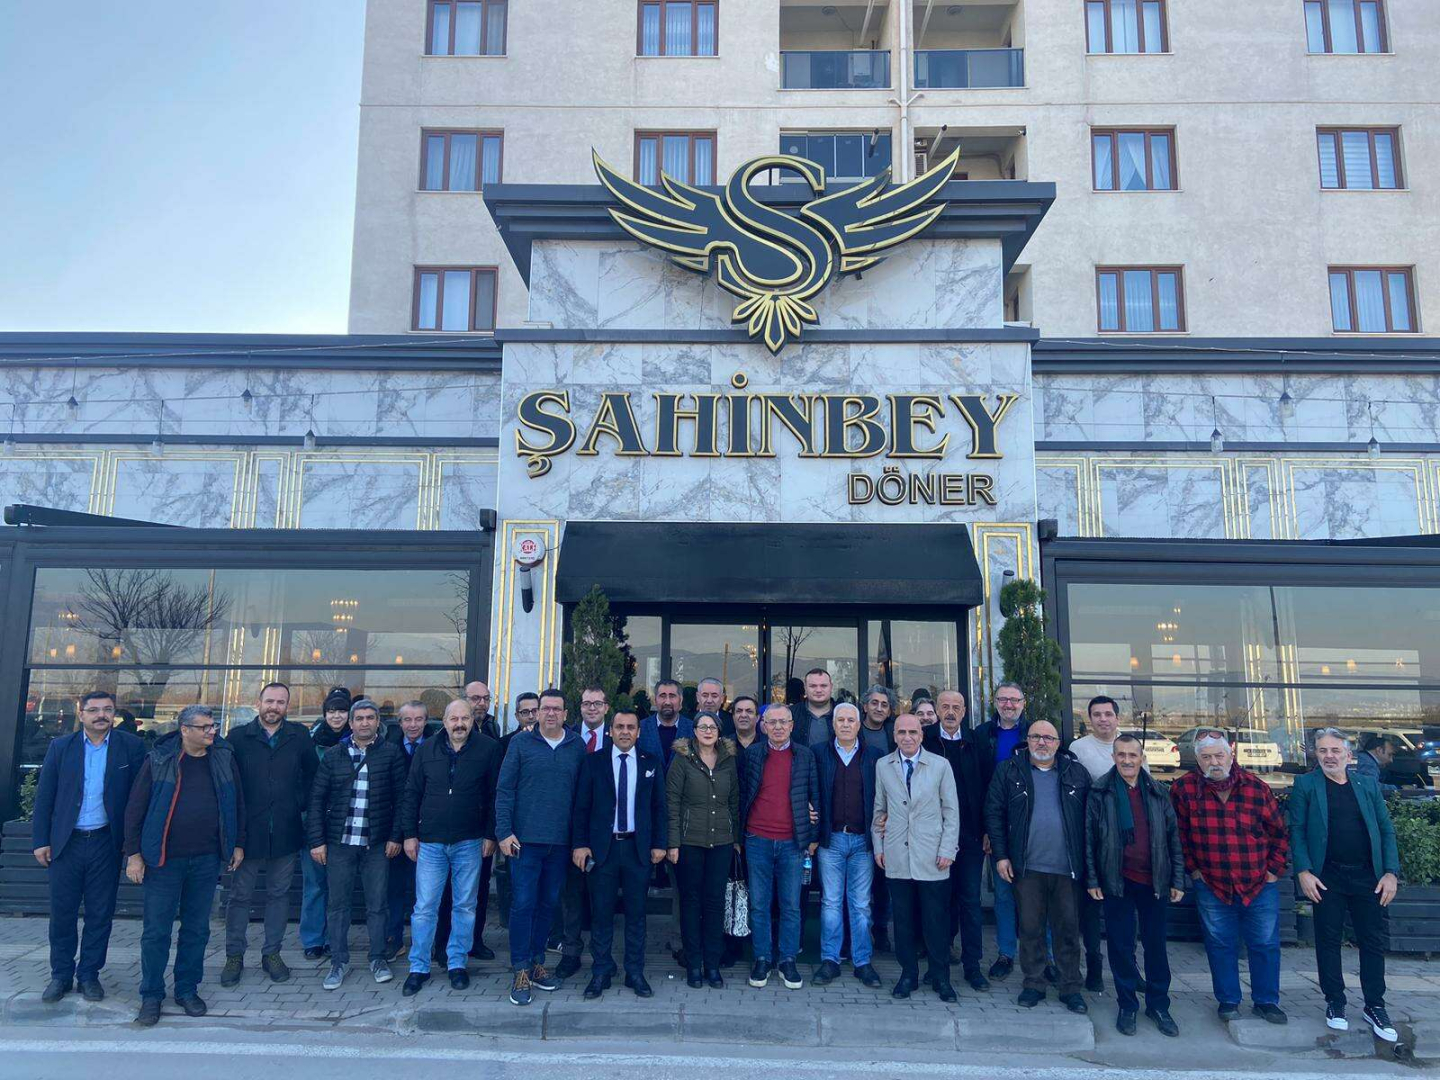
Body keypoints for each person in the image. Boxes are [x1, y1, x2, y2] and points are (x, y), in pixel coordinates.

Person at [123, 704, 245, 1026]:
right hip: (164, 860)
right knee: (156, 931)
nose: (211, 732)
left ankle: (187, 989)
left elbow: (237, 803)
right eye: (204, 727)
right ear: (185, 730)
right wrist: (133, 854)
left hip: (206, 859)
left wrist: (237, 843)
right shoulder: (159, 760)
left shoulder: (223, 758)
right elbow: (135, 808)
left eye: (213, 726)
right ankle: (151, 994)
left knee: (196, 929)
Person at [32, 690, 146, 1003]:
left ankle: (89, 975)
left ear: (114, 714)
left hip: (106, 843)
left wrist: (133, 847)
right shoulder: (61, 747)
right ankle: (61, 975)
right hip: (66, 843)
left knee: (100, 914)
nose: (101, 715)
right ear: (81, 714)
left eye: (107, 709)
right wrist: (41, 840)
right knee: (62, 914)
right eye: (93, 710)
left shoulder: (131, 747)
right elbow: (45, 797)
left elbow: (139, 800)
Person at [1171, 729, 1289, 1025]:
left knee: (1265, 944)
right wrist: (1194, 870)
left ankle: (1266, 1001)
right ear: (1197, 760)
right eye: (1206, 757)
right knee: (1220, 944)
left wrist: (1274, 870)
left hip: (1259, 882)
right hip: (1212, 883)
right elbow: (1179, 836)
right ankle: (1228, 1000)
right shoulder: (1184, 789)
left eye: (1219, 755)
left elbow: (1279, 833)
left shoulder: (1256, 788)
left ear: (1230, 754)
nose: (1214, 762)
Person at [1290, 728, 1401, 1041]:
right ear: (1316, 754)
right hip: (1327, 877)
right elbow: (1297, 830)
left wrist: (1391, 872)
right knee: (1327, 940)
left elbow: (1386, 829)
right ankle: (1335, 1002)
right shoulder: (1306, 785)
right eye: (1323, 750)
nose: (1329, 756)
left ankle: (1375, 1005)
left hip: (1368, 876)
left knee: (1372, 941)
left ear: (1348, 755)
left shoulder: (1367, 785)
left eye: (1335, 750)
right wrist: (1303, 871)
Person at [986, 719, 1091, 1014]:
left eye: (1048, 738)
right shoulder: (1009, 770)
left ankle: (1070, 987)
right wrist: (1001, 856)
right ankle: (1034, 983)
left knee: (1067, 930)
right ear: (1027, 741)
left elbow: (1090, 820)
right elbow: (994, 813)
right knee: (1030, 928)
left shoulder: (1076, 773)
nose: (1042, 742)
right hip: (1027, 867)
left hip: (1067, 868)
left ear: (1058, 743)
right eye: (1035, 737)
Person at [398, 698, 501, 996]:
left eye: (465, 718)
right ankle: (419, 967)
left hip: (470, 841)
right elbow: (411, 793)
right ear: (444, 721)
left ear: (472, 721)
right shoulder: (426, 749)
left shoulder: (488, 749)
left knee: (465, 906)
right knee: (424, 908)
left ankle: (457, 963)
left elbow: (495, 795)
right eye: (454, 719)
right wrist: (409, 834)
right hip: (430, 842)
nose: (459, 724)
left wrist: (490, 834)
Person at [1085, 734, 1185, 1037]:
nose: (1127, 760)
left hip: (1154, 880)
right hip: (1117, 880)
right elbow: (1089, 838)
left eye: (1132, 755)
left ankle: (1158, 1005)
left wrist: (1177, 879)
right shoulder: (1100, 792)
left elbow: (1173, 838)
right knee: (1121, 946)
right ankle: (1127, 1004)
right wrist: (1092, 879)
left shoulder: (1158, 792)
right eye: (1121, 755)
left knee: (1156, 946)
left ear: (1142, 758)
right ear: (1113, 757)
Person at [223, 682, 317, 988]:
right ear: (258, 703)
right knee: (240, 896)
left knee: (279, 895)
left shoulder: (299, 736)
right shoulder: (238, 737)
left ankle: (272, 954)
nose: (274, 707)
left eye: (280, 702)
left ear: (287, 706)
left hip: (287, 830)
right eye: (269, 701)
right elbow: (228, 784)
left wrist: (299, 804)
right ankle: (234, 956)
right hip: (247, 833)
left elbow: (312, 777)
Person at [308, 698, 407, 989]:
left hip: (376, 844)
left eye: (370, 718)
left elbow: (402, 799)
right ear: (351, 723)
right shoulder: (334, 755)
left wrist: (395, 836)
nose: (365, 723)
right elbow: (317, 799)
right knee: (338, 905)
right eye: (359, 718)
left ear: (378, 722)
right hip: (339, 843)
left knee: (377, 905)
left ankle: (378, 958)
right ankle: (338, 962)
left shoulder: (391, 753)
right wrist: (317, 841)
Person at [496, 688, 585, 1006]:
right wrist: (503, 832)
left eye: (556, 709)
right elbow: (505, 789)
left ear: (565, 714)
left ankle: (536, 963)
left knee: (548, 904)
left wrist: (580, 840)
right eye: (545, 708)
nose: (550, 713)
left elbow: (582, 796)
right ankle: (520, 969)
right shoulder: (521, 744)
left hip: (560, 843)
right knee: (523, 904)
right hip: (524, 842)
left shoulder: (577, 746)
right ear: (537, 712)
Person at [574, 709, 667, 999]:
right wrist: (580, 844)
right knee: (601, 913)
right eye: (619, 727)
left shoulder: (651, 762)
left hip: (638, 849)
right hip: (604, 849)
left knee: (636, 914)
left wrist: (659, 843)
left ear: (638, 732)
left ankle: (634, 972)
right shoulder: (593, 762)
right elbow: (581, 807)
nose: (625, 732)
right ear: (610, 731)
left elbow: (659, 807)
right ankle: (601, 971)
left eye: (630, 727)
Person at [873, 713, 959, 1001]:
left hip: (932, 855)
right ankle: (908, 974)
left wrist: (947, 849)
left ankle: (940, 976)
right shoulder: (883, 766)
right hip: (897, 853)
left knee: (935, 921)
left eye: (913, 732)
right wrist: (879, 846)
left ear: (922, 735)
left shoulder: (940, 765)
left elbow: (951, 811)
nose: (907, 737)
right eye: (902, 732)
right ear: (894, 736)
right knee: (903, 921)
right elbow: (879, 809)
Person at [740, 704, 819, 991]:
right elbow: (742, 794)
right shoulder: (752, 754)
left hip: (792, 842)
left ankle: (787, 960)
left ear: (792, 725)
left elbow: (814, 795)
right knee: (759, 904)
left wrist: (812, 837)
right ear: (763, 726)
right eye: (772, 722)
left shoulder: (805, 755)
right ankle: (762, 958)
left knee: (791, 905)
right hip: (757, 840)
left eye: (783, 722)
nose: (777, 727)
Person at [666, 711, 740, 988]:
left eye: (713, 727)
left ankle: (712, 965)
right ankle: (693, 964)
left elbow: (734, 801)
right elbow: (672, 802)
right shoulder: (682, 759)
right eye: (702, 726)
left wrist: (735, 838)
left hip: (721, 842)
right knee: (690, 903)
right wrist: (673, 842)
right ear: (694, 730)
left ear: (719, 731)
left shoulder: (728, 760)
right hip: (689, 842)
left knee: (715, 903)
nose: (708, 731)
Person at [921, 690, 989, 990]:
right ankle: (937, 964)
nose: (950, 712)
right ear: (936, 710)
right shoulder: (924, 740)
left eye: (956, 707)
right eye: (945, 707)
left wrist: (988, 831)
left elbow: (989, 789)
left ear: (964, 711)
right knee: (937, 902)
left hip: (970, 836)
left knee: (970, 902)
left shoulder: (977, 742)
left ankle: (973, 966)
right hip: (933, 837)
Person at [1068, 694, 1136, 993]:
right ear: (1090, 718)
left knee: (1125, 910)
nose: (1103, 719)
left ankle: (1130, 968)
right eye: (1097, 714)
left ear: (1117, 718)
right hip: (1092, 838)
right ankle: (1094, 966)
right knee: (1091, 911)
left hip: (1127, 842)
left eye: (1108, 714)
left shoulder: (1129, 746)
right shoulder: (1078, 749)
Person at [812, 702, 883, 989]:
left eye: (850, 720)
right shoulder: (819, 753)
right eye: (840, 720)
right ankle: (830, 960)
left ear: (859, 724)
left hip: (862, 841)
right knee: (830, 902)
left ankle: (862, 961)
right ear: (833, 724)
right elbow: (809, 788)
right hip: (831, 840)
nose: (845, 724)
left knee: (861, 904)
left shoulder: (873, 756)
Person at [972, 681, 1029, 980]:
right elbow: (978, 784)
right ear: (994, 702)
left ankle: (1045, 956)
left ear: (1023, 703)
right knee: (1004, 895)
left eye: (1014, 700)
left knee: (1036, 895)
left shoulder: (1034, 733)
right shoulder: (982, 735)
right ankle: (1006, 953)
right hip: (996, 825)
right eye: (1003, 699)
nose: (1009, 705)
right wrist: (987, 829)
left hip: (1030, 826)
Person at [553, 685, 611, 978]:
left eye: (597, 703)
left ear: (606, 707)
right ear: (580, 707)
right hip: (571, 829)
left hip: (607, 831)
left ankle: (603, 957)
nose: (592, 708)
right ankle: (571, 953)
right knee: (572, 896)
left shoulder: (617, 738)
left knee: (602, 898)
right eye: (587, 703)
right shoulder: (568, 738)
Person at [301, 687, 352, 960]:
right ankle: (313, 939)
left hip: (346, 824)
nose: (336, 716)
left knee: (339, 888)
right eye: (331, 711)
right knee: (315, 885)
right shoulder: (311, 742)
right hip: (315, 822)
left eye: (342, 711)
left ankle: (335, 938)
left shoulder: (357, 742)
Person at [384, 700, 432, 960]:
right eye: (407, 720)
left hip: (427, 831)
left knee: (424, 891)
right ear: (399, 722)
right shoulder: (389, 748)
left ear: (426, 720)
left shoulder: (436, 747)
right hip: (394, 830)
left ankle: (424, 942)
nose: (413, 725)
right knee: (394, 888)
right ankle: (394, 939)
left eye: (418, 719)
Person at [638, 679, 693, 771]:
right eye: (662, 696)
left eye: (672, 696)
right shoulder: (640, 728)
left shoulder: (693, 729)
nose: (667, 702)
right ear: (655, 700)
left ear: (681, 700)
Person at [799, 668, 835, 747]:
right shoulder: (791, 714)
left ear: (831, 687)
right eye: (813, 686)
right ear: (805, 688)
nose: (818, 690)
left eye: (823, 686)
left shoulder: (844, 714)